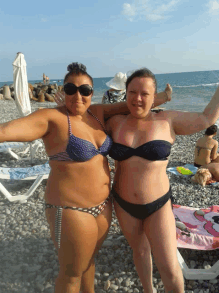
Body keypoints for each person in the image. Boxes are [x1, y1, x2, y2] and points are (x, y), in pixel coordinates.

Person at [0, 62, 170, 293]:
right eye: (70, 89)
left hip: (102, 207)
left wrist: (162, 97)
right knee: (70, 275)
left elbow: (130, 106)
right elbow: (4, 131)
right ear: (63, 90)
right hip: (71, 210)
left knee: (88, 264)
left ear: (92, 93)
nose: (77, 95)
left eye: (85, 90)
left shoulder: (97, 114)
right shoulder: (51, 118)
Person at [106, 68, 219, 293]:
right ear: (125, 93)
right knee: (139, 252)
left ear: (154, 96)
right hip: (123, 203)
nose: (138, 98)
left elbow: (207, 117)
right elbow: (85, 117)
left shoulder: (168, 119)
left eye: (145, 93)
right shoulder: (114, 122)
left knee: (169, 268)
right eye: (132, 92)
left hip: (157, 205)